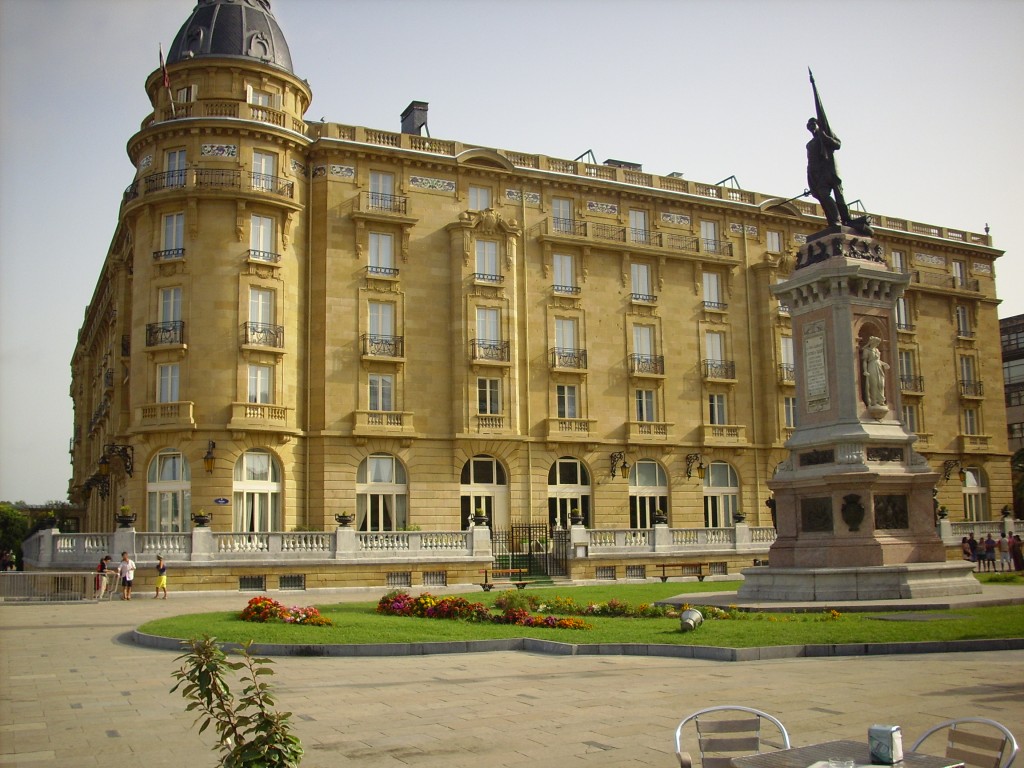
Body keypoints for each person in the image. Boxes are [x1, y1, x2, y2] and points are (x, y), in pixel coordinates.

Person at [806, 116, 850, 228]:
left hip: (828, 170)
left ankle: (838, 219)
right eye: (809, 126)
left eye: (813, 125)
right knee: (821, 196)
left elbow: (838, 144)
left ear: (818, 124)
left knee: (830, 195)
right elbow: (810, 160)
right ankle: (832, 221)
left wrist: (824, 137)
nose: (811, 127)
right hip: (815, 173)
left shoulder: (825, 134)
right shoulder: (810, 144)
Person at [861, 337, 889, 408]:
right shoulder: (866, 350)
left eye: (878, 343)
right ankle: (874, 401)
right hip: (872, 367)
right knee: (873, 384)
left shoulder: (877, 350)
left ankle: (881, 401)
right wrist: (865, 371)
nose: (878, 344)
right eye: (877, 342)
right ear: (873, 342)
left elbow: (878, 360)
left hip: (879, 367)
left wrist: (884, 364)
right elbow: (865, 361)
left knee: (881, 384)